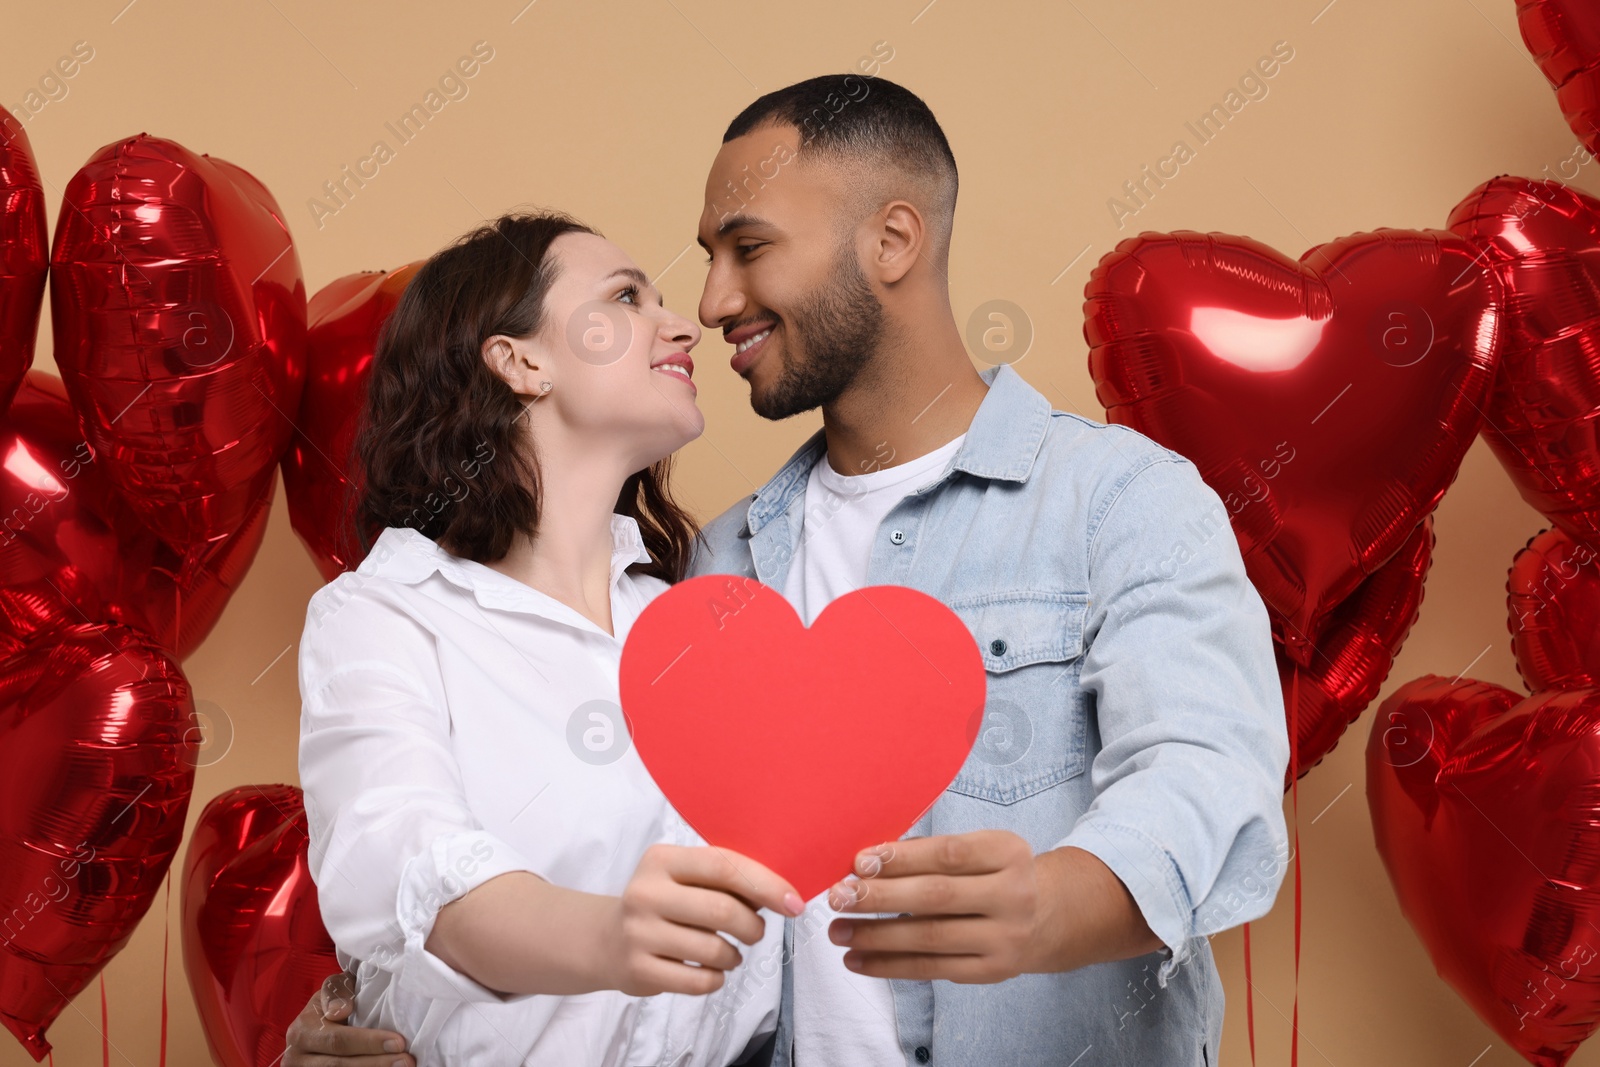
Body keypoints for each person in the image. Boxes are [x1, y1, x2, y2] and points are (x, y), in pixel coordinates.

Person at [289, 75, 1291, 1067]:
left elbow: (1209, 775)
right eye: (693, 266)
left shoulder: (1116, 500)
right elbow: (482, 834)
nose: (712, 303)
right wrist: (369, 1002)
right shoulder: (715, 574)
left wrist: (1051, 905)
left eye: (749, 248)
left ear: (891, 241)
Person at [293, 210, 807, 1067]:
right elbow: (415, 875)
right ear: (520, 359)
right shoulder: (387, 616)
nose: (684, 324)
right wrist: (614, 936)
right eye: (626, 297)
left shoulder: (705, 609)